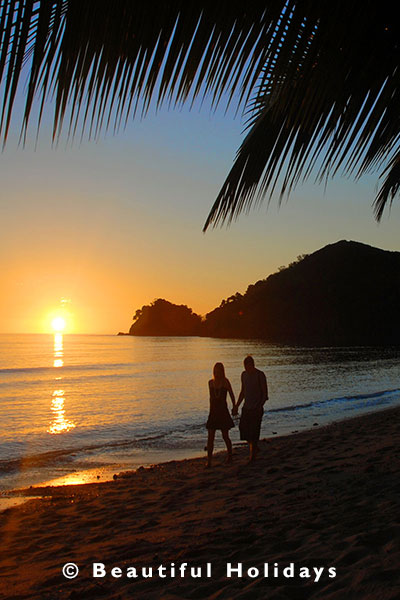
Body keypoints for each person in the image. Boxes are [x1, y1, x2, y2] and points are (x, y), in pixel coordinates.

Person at [232, 355, 268, 462]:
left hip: (256, 408)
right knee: (243, 429)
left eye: (248, 366)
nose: (246, 368)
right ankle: (254, 448)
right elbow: (243, 392)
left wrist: (260, 406)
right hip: (246, 408)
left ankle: (252, 456)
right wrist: (236, 405)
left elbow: (265, 394)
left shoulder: (260, 375)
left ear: (252, 365)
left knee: (254, 432)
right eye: (245, 366)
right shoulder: (243, 375)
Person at [206, 362, 236, 467]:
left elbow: (232, 394)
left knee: (225, 436)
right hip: (213, 412)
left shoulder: (225, 382)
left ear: (222, 371)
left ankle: (230, 456)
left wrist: (235, 406)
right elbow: (211, 399)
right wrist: (210, 412)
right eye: (216, 370)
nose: (217, 372)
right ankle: (209, 461)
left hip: (223, 412)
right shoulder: (210, 383)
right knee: (210, 437)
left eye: (219, 370)